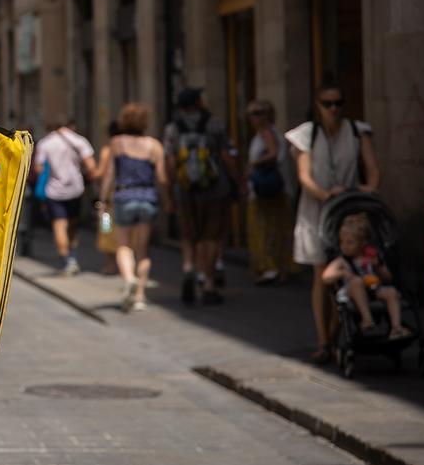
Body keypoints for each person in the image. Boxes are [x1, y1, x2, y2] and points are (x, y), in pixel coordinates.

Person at [286, 80, 380, 364]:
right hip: (317, 211)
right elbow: (304, 176)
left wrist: (366, 190)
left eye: (338, 103)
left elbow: (374, 170)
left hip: (348, 212)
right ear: (318, 106)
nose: (334, 109)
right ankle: (323, 340)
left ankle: (338, 335)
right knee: (320, 275)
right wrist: (326, 196)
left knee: (346, 273)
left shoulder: (357, 131)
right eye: (327, 104)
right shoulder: (307, 134)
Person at [163, 87, 239, 305]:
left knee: (188, 236)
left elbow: (170, 162)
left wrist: (170, 191)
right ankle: (208, 282)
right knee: (211, 236)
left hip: (185, 190)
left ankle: (188, 268)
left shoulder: (172, 128)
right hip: (215, 189)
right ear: (198, 102)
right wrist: (239, 180)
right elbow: (226, 155)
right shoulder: (214, 124)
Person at [102, 104, 168, 312]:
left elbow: (110, 175)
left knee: (123, 246)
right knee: (143, 249)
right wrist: (168, 200)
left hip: (124, 197)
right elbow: (162, 178)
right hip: (148, 197)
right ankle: (139, 295)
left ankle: (129, 278)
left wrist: (102, 199)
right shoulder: (154, 146)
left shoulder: (117, 143)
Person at [322, 213, 411, 340]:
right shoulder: (342, 261)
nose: (344, 246)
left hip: (374, 289)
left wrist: (378, 266)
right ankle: (366, 319)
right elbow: (325, 276)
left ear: (363, 243)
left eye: (349, 242)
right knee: (356, 281)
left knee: (391, 292)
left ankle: (396, 327)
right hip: (353, 293)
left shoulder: (371, 257)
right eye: (342, 242)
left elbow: (388, 278)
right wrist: (342, 273)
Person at [33, 116, 100, 275]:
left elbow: (38, 168)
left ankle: (67, 261)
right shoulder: (79, 141)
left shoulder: (45, 143)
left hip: (54, 190)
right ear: (71, 125)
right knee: (72, 224)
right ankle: (73, 255)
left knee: (59, 225)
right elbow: (91, 167)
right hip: (75, 189)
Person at [244, 100, 294, 285]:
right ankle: (279, 268)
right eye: (251, 114)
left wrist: (253, 165)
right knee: (276, 227)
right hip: (272, 188)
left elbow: (273, 153)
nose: (254, 118)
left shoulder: (267, 133)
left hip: (267, 189)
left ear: (268, 115)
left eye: (259, 113)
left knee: (265, 227)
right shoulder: (266, 133)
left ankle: (271, 267)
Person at [94, 121, 122, 275]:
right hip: (124, 195)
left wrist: (102, 198)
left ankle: (110, 264)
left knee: (106, 228)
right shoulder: (129, 148)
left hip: (109, 197)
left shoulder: (107, 150)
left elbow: (102, 174)